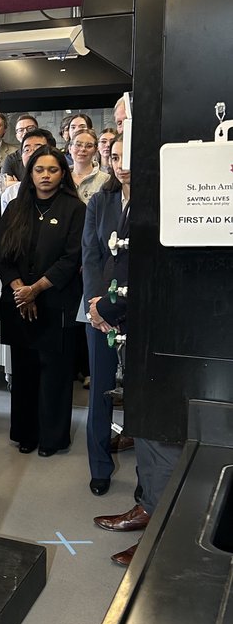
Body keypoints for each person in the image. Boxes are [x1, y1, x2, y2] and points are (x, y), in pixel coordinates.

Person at [87, 171, 181, 567]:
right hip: (130, 326)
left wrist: (105, 309)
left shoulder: (169, 187)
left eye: (126, 126)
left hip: (163, 332)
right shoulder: (122, 195)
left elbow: (149, 268)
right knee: (143, 427)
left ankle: (165, 535)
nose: (119, 145)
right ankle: (147, 506)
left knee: (163, 434)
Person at [0, 146, 85, 456]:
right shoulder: (15, 208)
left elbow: (71, 258)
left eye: (52, 170)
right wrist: (21, 289)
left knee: (55, 374)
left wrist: (36, 289)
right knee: (24, 372)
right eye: (39, 170)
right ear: (30, 174)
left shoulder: (75, 209)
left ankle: (52, 438)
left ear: (63, 174)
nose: (45, 175)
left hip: (56, 301)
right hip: (18, 301)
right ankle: (26, 433)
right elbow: (2, 255)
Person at [82, 135, 127, 497]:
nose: (119, 163)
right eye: (113, 156)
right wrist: (96, 306)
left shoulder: (157, 198)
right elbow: (90, 255)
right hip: (99, 313)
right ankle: (99, 465)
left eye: (125, 155)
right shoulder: (100, 200)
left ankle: (151, 474)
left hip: (135, 310)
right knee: (99, 390)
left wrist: (113, 307)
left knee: (141, 391)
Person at [0, 127, 56, 211]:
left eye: (38, 148)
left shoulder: (64, 194)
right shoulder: (11, 194)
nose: (31, 153)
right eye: (27, 149)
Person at [68, 129, 109, 203]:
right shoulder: (62, 177)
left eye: (89, 146)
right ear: (70, 148)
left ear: (96, 150)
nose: (83, 149)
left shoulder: (105, 180)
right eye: (78, 145)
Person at [1, 115, 38, 182]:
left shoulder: (47, 153)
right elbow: (6, 184)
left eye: (30, 128)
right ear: (17, 136)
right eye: (21, 130)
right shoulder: (11, 159)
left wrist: (16, 184)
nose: (25, 132)